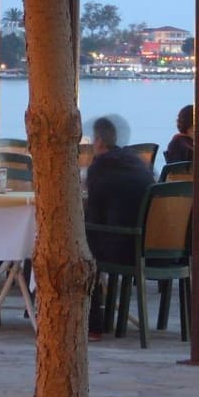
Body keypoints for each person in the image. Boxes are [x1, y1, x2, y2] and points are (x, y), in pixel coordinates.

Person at [85, 116, 155, 341]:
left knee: (78, 247)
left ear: (97, 141)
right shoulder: (136, 162)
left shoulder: (100, 167)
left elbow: (94, 215)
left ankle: (92, 324)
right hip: (149, 244)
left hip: (121, 246)